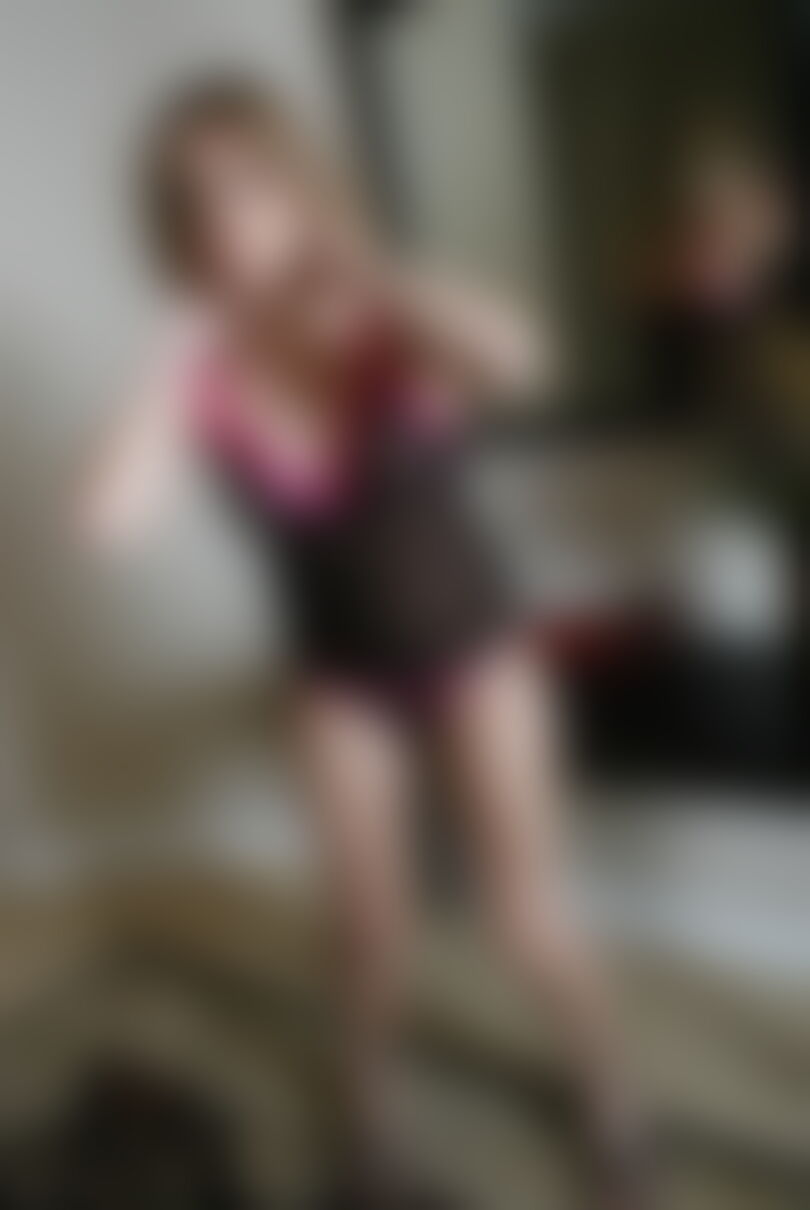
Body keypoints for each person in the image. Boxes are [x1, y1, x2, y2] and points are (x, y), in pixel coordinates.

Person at [76, 77, 646, 1209]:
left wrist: (375, 272)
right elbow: (105, 524)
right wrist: (173, 345)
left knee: (526, 916)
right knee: (367, 930)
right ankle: (373, 1116)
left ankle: (612, 1089)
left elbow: (518, 359)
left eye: (247, 185)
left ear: (300, 187)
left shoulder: (388, 319)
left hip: (480, 656)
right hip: (338, 681)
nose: (223, 220)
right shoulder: (204, 376)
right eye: (192, 200)